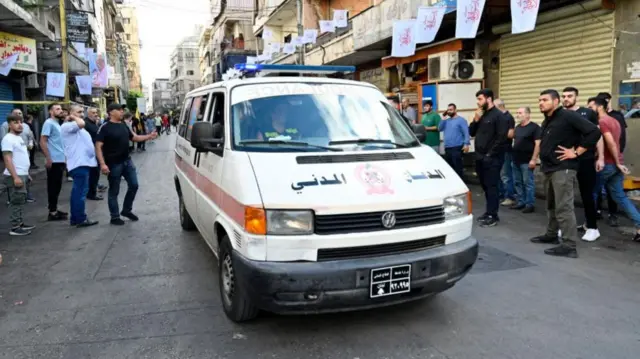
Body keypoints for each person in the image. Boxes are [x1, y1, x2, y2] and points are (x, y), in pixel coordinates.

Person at [530, 89, 600, 258]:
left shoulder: (568, 116)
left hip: (564, 168)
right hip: (549, 168)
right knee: (551, 205)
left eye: (545, 100)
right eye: (539, 100)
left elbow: (594, 132)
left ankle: (569, 246)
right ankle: (552, 234)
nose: (541, 103)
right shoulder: (547, 120)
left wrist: (576, 152)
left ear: (556, 102)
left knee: (564, 207)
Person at [96, 104, 157, 225]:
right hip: (113, 164)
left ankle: (126, 210)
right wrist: (102, 164)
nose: (122, 112)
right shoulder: (105, 127)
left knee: (134, 185)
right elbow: (98, 146)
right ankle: (114, 217)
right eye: (119, 110)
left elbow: (134, 138)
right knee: (114, 190)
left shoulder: (124, 124)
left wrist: (149, 136)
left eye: (122, 110)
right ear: (111, 112)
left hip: (127, 161)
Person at [590, 96, 640, 242]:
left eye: (591, 107)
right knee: (620, 196)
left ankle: (590, 225)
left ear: (599, 107)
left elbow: (611, 143)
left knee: (592, 193)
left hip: (608, 164)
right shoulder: (615, 121)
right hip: (615, 164)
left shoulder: (603, 122)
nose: (589, 110)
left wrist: (617, 162)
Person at [562, 87, 602, 241]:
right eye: (564, 96)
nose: (566, 98)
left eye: (569, 96)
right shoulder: (561, 114)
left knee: (587, 194)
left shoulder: (588, 113)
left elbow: (598, 136)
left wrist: (601, 157)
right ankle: (566, 226)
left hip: (585, 159)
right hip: (566, 160)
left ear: (576, 97)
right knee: (565, 195)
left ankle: (592, 227)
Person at [469, 88, 509, 227]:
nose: (478, 102)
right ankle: (488, 212)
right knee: (485, 186)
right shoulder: (482, 115)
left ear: (489, 99)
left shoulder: (499, 116)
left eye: (480, 99)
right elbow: (471, 132)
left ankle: (493, 215)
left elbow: (501, 138)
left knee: (492, 187)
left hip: (492, 158)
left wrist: (490, 155)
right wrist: (475, 119)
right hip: (479, 157)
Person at [61, 105, 99, 228]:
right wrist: (72, 117)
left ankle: (76, 218)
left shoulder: (75, 127)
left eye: (83, 112)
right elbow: (82, 123)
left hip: (84, 163)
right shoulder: (68, 126)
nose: (82, 114)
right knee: (80, 192)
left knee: (79, 192)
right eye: (79, 112)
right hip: (79, 164)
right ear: (71, 113)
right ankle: (80, 218)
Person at [2, 114, 36, 236]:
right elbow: (7, 159)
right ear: (9, 125)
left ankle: (20, 223)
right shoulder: (8, 139)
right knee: (16, 201)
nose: (20, 124)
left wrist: (27, 174)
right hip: (15, 175)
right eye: (16, 122)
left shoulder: (19, 138)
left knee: (20, 200)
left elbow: (21, 157)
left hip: (22, 174)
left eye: (21, 122)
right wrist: (15, 176)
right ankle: (15, 227)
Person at [40, 103, 69, 221]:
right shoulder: (48, 123)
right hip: (54, 161)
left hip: (60, 159)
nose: (60, 111)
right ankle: (52, 212)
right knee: (53, 186)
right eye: (57, 109)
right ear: (51, 112)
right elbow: (42, 141)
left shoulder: (57, 124)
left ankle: (54, 209)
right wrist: (48, 158)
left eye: (61, 109)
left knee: (57, 186)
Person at [510, 107, 541, 213]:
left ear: (527, 115)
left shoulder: (534, 127)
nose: (518, 115)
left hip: (527, 160)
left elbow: (538, 144)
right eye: (517, 113)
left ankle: (529, 204)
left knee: (528, 183)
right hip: (516, 160)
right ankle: (521, 202)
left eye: (520, 113)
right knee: (518, 182)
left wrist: (534, 159)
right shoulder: (517, 127)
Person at [494, 99, 516, 207]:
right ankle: (501, 195)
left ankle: (510, 197)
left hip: (505, 149)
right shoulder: (499, 117)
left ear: (500, 106)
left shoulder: (508, 118)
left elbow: (511, 134)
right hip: (498, 149)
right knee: (499, 174)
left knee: (506, 174)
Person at [438, 103, 469, 179]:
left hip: (457, 147)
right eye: (448, 110)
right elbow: (439, 129)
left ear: (455, 110)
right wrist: (443, 118)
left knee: (458, 168)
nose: (449, 111)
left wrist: (466, 144)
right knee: (450, 168)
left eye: (451, 110)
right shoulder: (446, 121)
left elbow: (466, 133)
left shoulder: (461, 120)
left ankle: (461, 184)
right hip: (448, 147)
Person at [84, 107, 103, 201]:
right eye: (93, 112)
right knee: (93, 174)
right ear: (88, 114)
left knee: (95, 174)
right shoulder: (85, 124)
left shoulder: (93, 123)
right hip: (90, 153)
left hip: (96, 151)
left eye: (96, 112)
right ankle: (91, 193)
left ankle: (92, 191)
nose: (96, 114)